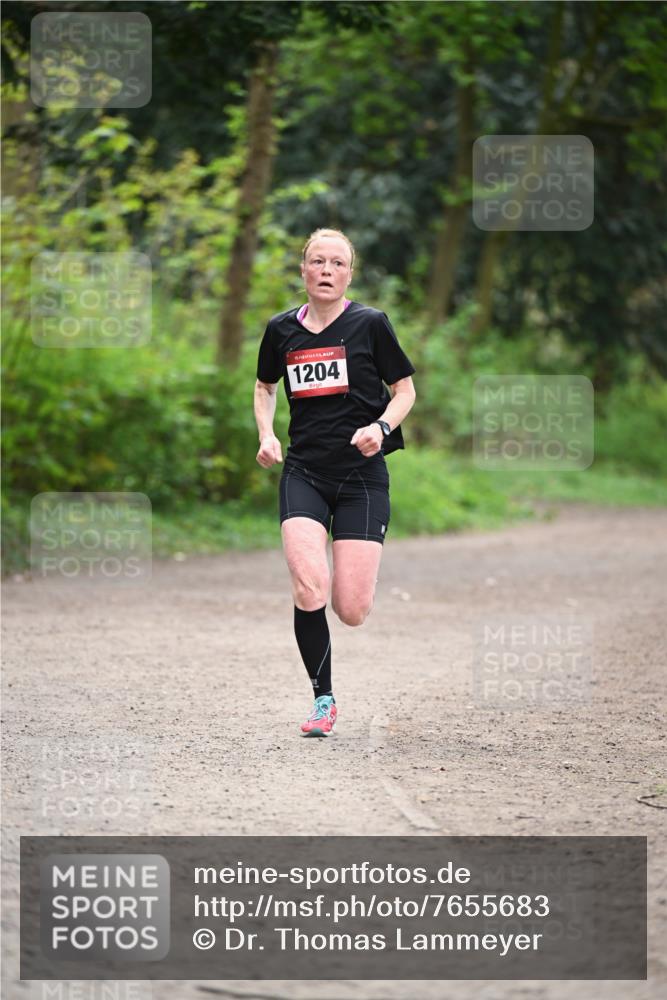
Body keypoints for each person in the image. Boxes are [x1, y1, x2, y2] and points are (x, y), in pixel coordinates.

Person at [254, 228, 416, 737]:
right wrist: (266, 434)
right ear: (303, 269)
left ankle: (357, 577)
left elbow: (405, 390)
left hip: (361, 477)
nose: (326, 270)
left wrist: (382, 427)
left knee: (351, 609)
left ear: (349, 274)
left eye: (337, 263)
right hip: (303, 471)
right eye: (317, 261)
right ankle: (323, 700)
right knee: (308, 585)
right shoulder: (281, 330)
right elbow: (264, 386)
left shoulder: (370, 325)